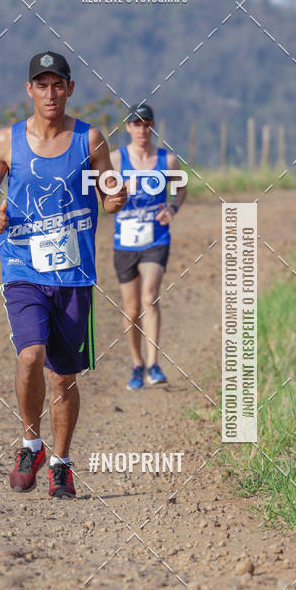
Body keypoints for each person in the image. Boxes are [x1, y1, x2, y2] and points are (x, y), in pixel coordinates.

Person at [0, 51, 126, 498]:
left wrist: (114, 199)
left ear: (69, 89)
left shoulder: (90, 138)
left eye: (57, 84)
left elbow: (109, 187)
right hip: (22, 265)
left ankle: (60, 463)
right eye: (41, 85)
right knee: (29, 356)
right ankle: (30, 443)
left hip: (75, 274)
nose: (50, 93)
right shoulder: (7, 141)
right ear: (29, 90)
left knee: (63, 377)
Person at [110, 103, 186, 390]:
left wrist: (173, 209)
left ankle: (154, 364)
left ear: (152, 126)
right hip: (125, 241)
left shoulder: (168, 160)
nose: (142, 129)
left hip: (156, 237)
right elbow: (101, 193)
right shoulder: (116, 160)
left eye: (147, 123)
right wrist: (117, 193)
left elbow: (181, 189)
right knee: (131, 310)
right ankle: (137, 364)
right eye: (136, 124)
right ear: (128, 127)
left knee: (150, 297)